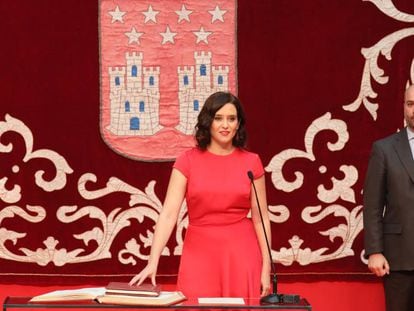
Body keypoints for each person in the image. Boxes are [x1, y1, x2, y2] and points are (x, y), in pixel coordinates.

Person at [129, 91, 272, 298]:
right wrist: (153, 261)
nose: (225, 125)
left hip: (242, 253)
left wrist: (266, 266)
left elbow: (261, 219)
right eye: (218, 118)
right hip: (199, 252)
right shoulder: (187, 161)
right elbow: (168, 214)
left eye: (231, 119)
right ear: (208, 121)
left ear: (239, 124)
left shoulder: (252, 162)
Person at [363, 84, 414, 311]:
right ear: (403, 106)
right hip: (399, 259)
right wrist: (374, 251)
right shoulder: (384, 149)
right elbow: (372, 204)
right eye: (411, 104)